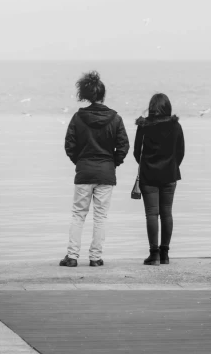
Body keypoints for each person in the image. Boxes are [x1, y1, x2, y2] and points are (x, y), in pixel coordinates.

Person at [60, 70, 129, 267]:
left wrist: (80, 162)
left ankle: (72, 257)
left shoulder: (78, 117)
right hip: (106, 173)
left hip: (84, 171)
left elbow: (69, 145)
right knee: (100, 217)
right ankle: (95, 258)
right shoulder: (115, 118)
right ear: (102, 95)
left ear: (87, 95)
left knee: (78, 215)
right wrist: (112, 162)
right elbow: (123, 146)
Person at [134, 92, 184, 265]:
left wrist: (148, 164)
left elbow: (136, 152)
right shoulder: (175, 126)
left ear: (152, 108)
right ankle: (165, 254)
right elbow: (181, 152)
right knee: (167, 213)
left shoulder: (144, 125)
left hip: (149, 176)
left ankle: (153, 254)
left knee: (151, 214)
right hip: (170, 175)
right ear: (167, 107)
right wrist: (171, 165)